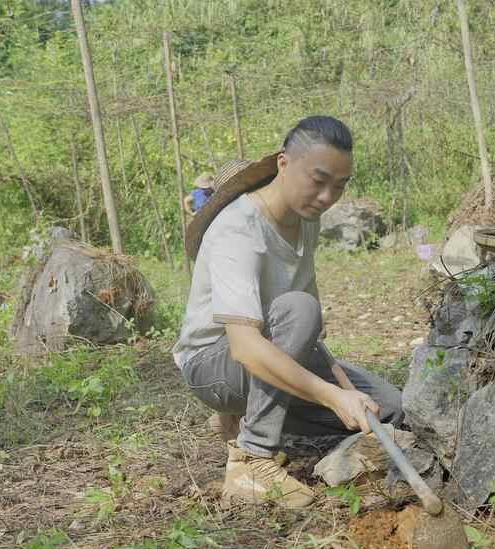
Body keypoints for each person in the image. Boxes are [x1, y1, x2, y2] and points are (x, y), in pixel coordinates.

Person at [171, 116, 403, 508]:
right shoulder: (237, 229)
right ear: (283, 163)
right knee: (300, 309)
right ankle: (252, 458)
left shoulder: (305, 219)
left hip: (274, 350)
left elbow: (309, 328)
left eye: (339, 185)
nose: (328, 196)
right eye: (318, 180)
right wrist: (331, 396)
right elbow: (245, 347)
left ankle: (244, 416)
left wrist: (343, 390)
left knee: (388, 408)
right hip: (215, 365)